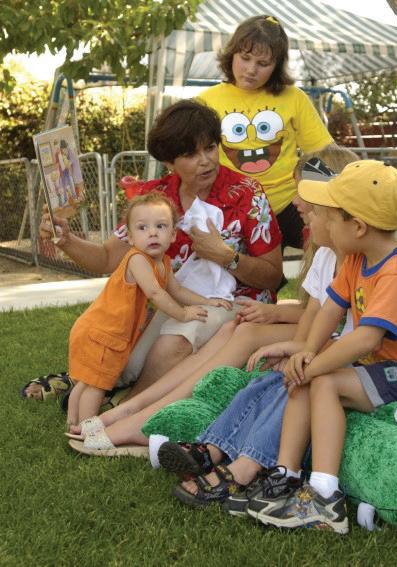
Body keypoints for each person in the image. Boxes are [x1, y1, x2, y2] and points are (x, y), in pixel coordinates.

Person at [242, 160, 397, 534]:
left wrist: (313, 365)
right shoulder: (357, 259)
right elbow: (330, 309)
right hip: (380, 368)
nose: (323, 223)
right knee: (308, 376)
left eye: (330, 217)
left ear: (357, 227)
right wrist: (306, 351)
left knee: (322, 380)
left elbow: (367, 338)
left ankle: (325, 499)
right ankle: (285, 476)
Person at [24, 99, 282, 401]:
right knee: (125, 348)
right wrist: (67, 240)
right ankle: (93, 383)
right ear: (169, 162)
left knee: (174, 342)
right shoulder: (155, 198)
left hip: (239, 304)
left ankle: (125, 406)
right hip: (176, 300)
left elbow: (272, 276)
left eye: (211, 148)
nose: (206, 161)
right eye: (190, 154)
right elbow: (107, 258)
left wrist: (228, 257)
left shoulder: (247, 193)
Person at [154, 158, 355, 509]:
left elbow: (357, 335)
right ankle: (214, 447)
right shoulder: (327, 256)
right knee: (264, 382)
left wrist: (303, 353)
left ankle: (247, 468)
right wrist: (295, 348)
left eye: (307, 195)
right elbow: (314, 316)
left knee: (293, 385)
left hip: (348, 361)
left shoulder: (362, 264)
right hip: (329, 350)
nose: (295, 202)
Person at [67, 192, 232, 427]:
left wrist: (208, 301)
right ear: (130, 237)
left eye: (160, 226)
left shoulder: (163, 262)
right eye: (142, 228)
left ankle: (73, 422)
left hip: (105, 331)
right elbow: (156, 293)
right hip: (102, 331)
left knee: (87, 381)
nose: (152, 233)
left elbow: (177, 291)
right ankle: (88, 427)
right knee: (97, 385)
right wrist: (183, 314)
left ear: (173, 234)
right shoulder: (137, 260)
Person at [198, 14, 357, 250]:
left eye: (263, 64)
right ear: (232, 54)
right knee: (252, 272)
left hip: (291, 203)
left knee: (332, 250)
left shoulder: (293, 97)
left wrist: (324, 196)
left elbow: (323, 154)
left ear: (276, 66)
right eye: (245, 58)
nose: (251, 69)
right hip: (235, 208)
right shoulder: (205, 102)